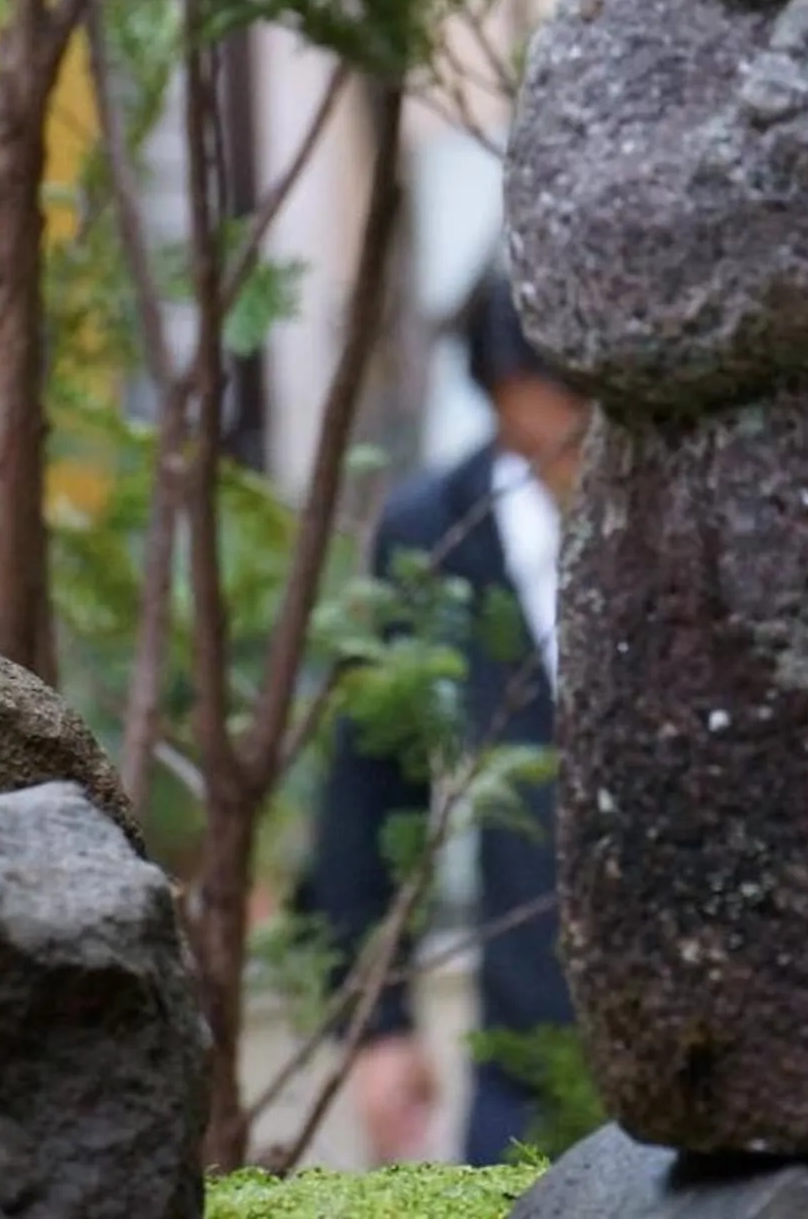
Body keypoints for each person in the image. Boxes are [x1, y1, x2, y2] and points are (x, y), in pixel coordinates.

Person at [301, 269, 588, 1164]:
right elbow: (370, 781)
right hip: (527, 1052)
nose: (573, 451)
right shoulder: (434, 532)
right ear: (500, 399)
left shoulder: (701, 514)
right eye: (548, 423)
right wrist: (376, 1020)